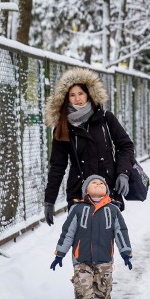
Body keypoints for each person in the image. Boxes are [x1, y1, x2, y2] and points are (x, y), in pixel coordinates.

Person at [43, 67, 135, 225]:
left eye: (80, 93)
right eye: (72, 95)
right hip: (79, 193)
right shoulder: (63, 127)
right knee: (82, 245)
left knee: (105, 243)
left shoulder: (106, 119)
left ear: (88, 94)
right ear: (66, 98)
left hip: (107, 190)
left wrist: (123, 173)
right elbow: (58, 166)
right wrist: (49, 200)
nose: (77, 99)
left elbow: (125, 146)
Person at [50, 175, 133, 299]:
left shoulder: (113, 210)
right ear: (85, 190)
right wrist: (60, 253)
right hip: (82, 260)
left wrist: (125, 252)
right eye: (93, 183)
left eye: (101, 183)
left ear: (106, 189)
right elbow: (68, 232)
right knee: (83, 293)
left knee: (103, 291)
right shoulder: (77, 209)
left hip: (104, 260)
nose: (97, 184)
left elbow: (120, 232)